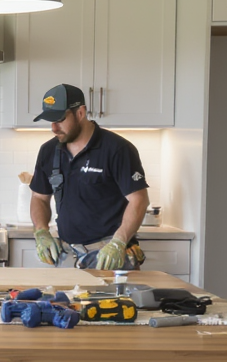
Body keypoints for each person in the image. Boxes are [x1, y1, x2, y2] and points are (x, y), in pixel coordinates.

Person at [28, 84, 149, 271]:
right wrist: (41, 230)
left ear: (80, 113)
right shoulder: (48, 151)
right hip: (67, 255)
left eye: (59, 119)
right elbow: (39, 198)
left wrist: (118, 242)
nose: (53, 128)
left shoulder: (117, 149)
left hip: (107, 256)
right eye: (49, 121)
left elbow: (139, 200)